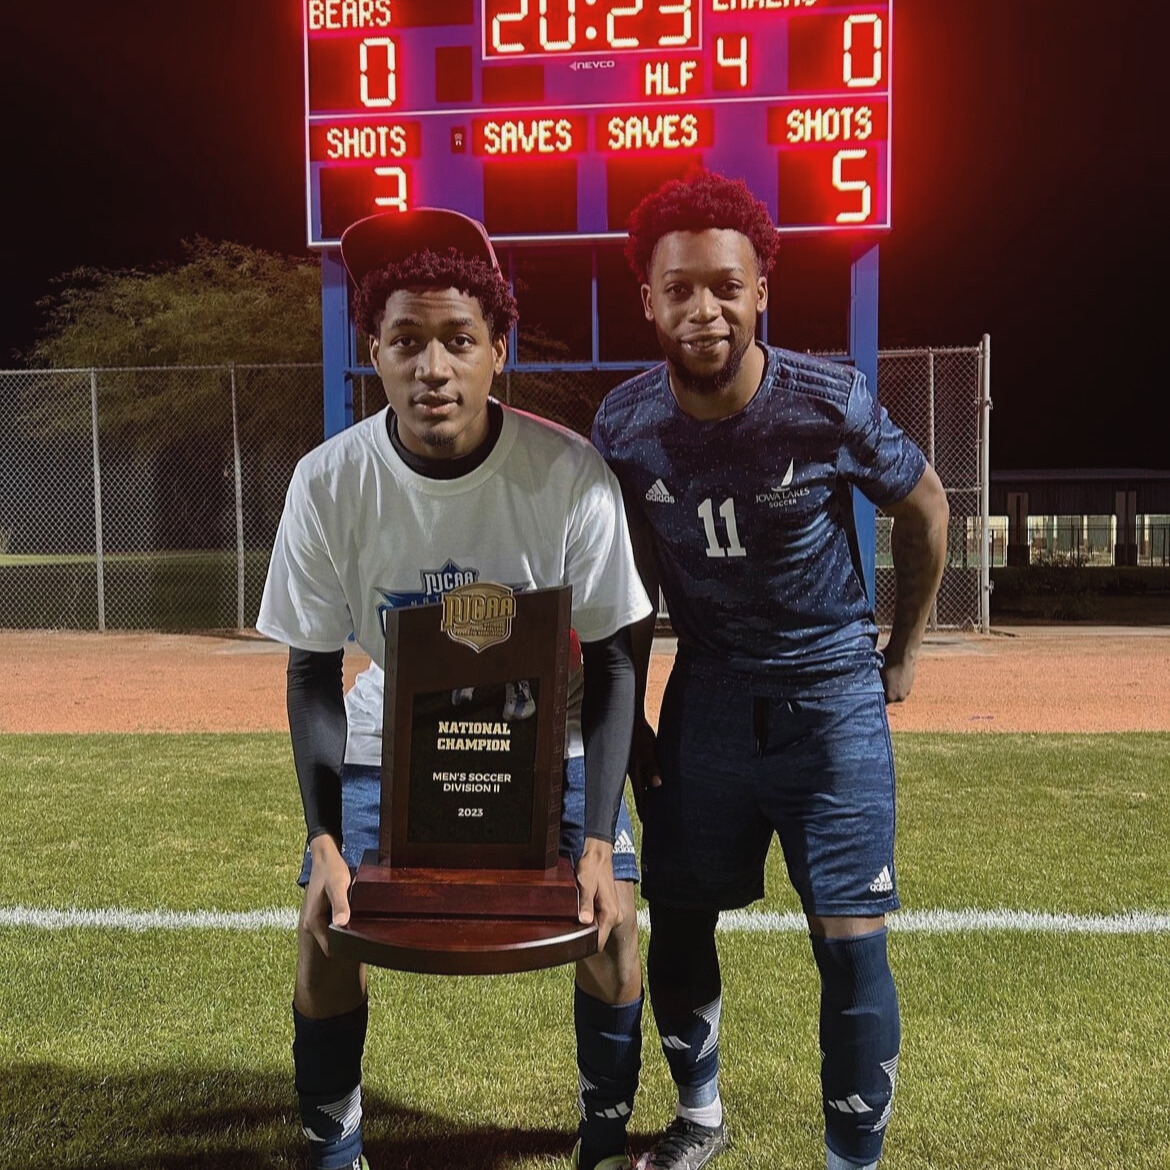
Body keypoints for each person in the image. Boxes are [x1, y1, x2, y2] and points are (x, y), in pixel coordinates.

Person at [257, 207, 654, 1170]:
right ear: (376, 355)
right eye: (407, 342)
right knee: (324, 926)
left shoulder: (568, 474)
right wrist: (322, 841)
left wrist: (600, 841)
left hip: (544, 740)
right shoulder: (327, 483)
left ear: (496, 352)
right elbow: (311, 671)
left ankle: (603, 1134)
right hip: (388, 745)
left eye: (458, 341)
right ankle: (334, 1142)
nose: (433, 367)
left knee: (614, 922)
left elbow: (612, 659)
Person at [591, 170, 949, 1170]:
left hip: (830, 694)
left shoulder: (826, 402)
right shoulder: (622, 425)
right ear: (649, 300)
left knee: (848, 938)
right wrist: (638, 727)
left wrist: (903, 652)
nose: (703, 309)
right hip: (706, 691)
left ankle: (851, 1159)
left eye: (724, 285)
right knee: (681, 915)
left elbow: (925, 508)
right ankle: (698, 1118)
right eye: (679, 289)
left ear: (761, 293)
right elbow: (627, 585)